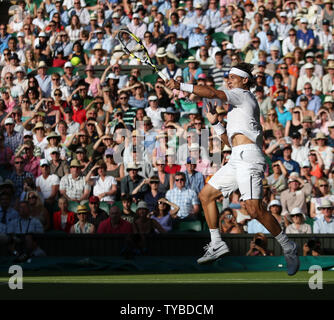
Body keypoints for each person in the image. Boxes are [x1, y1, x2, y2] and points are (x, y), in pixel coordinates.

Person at [166, 62, 299, 275]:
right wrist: (216, 123)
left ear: (245, 80)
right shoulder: (236, 109)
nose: (228, 80)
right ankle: (217, 243)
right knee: (206, 195)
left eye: (232, 77)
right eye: (227, 77)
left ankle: (288, 246)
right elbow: (230, 143)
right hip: (237, 157)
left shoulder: (243, 95)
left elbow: (211, 92)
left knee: (254, 209)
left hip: (250, 158)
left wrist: (181, 85)